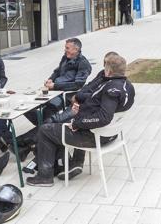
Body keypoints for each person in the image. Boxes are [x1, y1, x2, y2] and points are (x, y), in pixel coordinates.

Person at [26, 54, 135, 186]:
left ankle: (45, 176)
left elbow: (104, 117)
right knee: (58, 128)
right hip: (110, 133)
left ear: (108, 71)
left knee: (45, 130)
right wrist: (82, 109)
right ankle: (63, 165)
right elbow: (102, 109)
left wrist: (77, 123)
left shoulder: (111, 89)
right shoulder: (127, 86)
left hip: (96, 136)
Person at [24, 38, 92, 126]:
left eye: (67, 48)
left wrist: (55, 86)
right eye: (65, 48)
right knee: (29, 102)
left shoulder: (83, 63)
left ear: (76, 49)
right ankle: (43, 124)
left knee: (49, 105)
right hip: (55, 89)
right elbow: (57, 71)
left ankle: (45, 126)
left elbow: (78, 85)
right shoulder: (65, 57)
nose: (65, 50)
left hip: (67, 94)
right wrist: (50, 80)